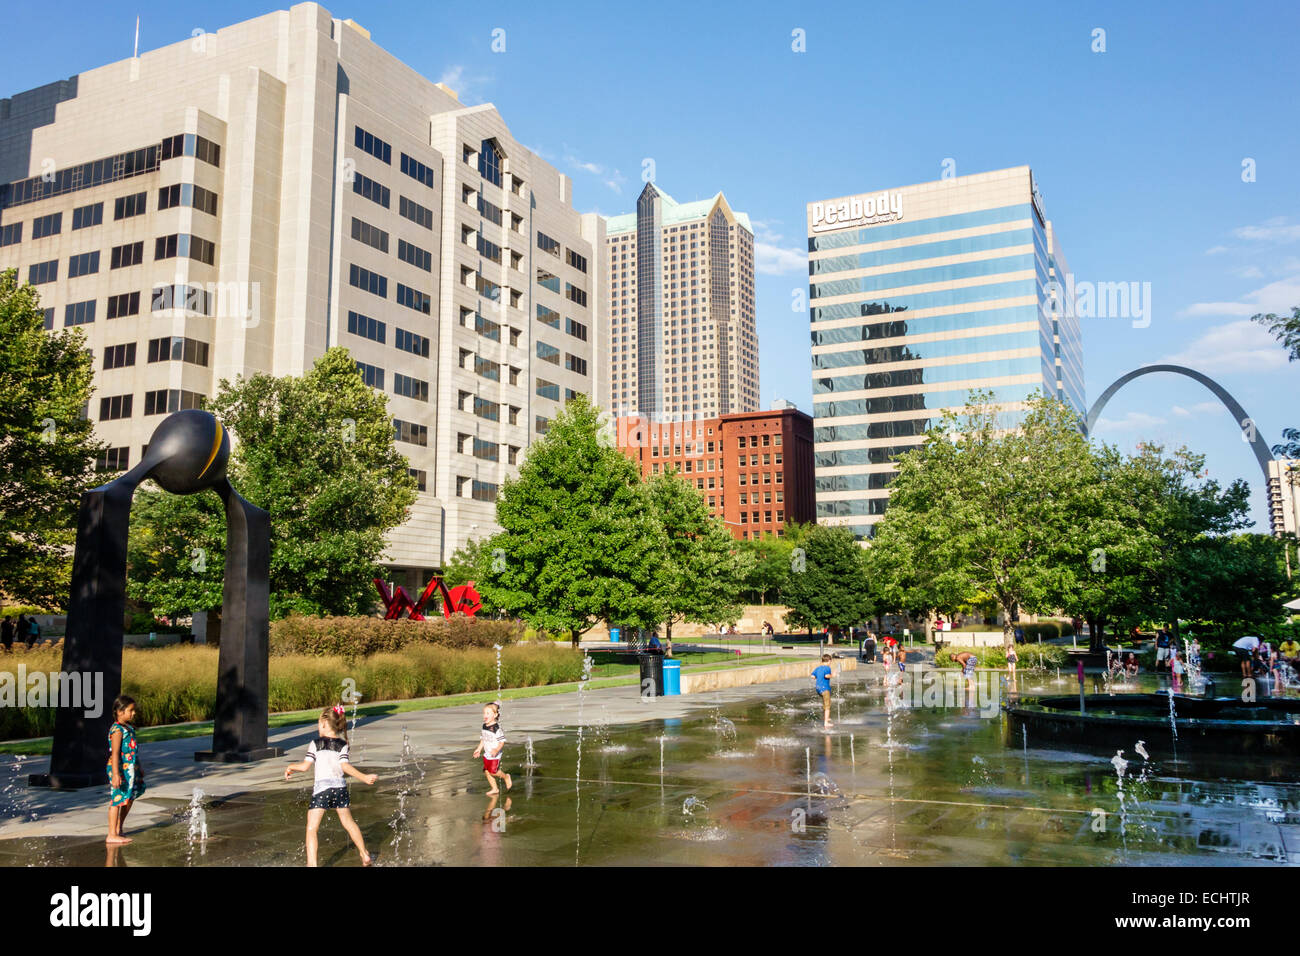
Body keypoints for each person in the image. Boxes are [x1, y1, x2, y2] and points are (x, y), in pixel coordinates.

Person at [284, 703, 378, 866]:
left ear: (324, 724)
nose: (318, 727)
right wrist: (363, 777)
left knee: (312, 828)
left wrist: (291, 767)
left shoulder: (315, 743)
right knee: (349, 823)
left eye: (318, 724)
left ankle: (312, 864)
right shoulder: (343, 745)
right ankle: (364, 854)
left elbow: (305, 767)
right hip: (340, 788)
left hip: (322, 790)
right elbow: (345, 766)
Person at [106, 695, 146, 845]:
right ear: (120, 711)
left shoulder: (128, 728)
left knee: (129, 796)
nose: (134, 713)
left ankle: (118, 828)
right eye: (131, 710)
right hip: (120, 769)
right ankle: (111, 834)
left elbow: (132, 751)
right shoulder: (117, 730)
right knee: (117, 799)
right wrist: (116, 774)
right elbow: (115, 753)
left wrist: (139, 767)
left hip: (130, 768)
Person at [473, 702, 513, 795]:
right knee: (487, 771)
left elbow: (502, 741)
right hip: (487, 753)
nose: (485, 715)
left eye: (488, 713)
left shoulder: (496, 728)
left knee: (493, 772)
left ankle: (506, 777)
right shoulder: (484, 726)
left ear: (495, 715)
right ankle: (495, 788)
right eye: (484, 713)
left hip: (495, 753)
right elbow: (483, 739)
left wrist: (496, 750)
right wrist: (478, 749)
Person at [812, 655, 834, 730]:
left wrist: (818, 677)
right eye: (830, 662)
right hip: (825, 689)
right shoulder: (827, 668)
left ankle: (826, 717)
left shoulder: (818, 668)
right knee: (827, 706)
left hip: (818, 689)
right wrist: (833, 675)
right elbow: (827, 676)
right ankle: (826, 722)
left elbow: (812, 676)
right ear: (829, 661)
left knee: (826, 703)